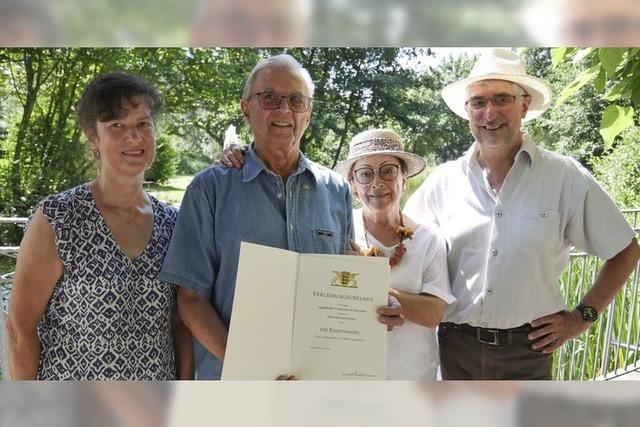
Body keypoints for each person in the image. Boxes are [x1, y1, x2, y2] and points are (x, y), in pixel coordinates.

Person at [159, 54, 403, 380]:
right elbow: (190, 300)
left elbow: (344, 278)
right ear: (246, 108)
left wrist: (375, 304)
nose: (284, 109)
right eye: (269, 97)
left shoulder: (335, 191)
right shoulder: (209, 189)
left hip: (315, 386)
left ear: (309, 112)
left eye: (296, 100)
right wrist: (249, 368)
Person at [404, 48, 640, 380]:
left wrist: (581, 317)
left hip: (526, 355)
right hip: (453, 351)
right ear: (468, 110)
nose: (489, 113)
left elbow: (626, 250)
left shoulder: (564, 176)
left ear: (524, 105)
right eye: (478, 102)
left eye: (502, 99)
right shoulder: (443, 182)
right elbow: (404, 245)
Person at [5, 72, 193, 380]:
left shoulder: (173, 224)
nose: (133, 137)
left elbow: (179, 325)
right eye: (117, 125)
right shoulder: (58, 218)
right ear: (93, 138)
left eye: (143, 124)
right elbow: (19, 328)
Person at [335, 129, 455, 380]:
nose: (376, 183)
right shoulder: (340, 234)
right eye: (365, 174)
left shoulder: (427, 239)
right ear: (354, 186)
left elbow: (433, 313)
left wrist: (370, 284)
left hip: (412, 378)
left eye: (388, 171)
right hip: (351, 379)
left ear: (404, 180)